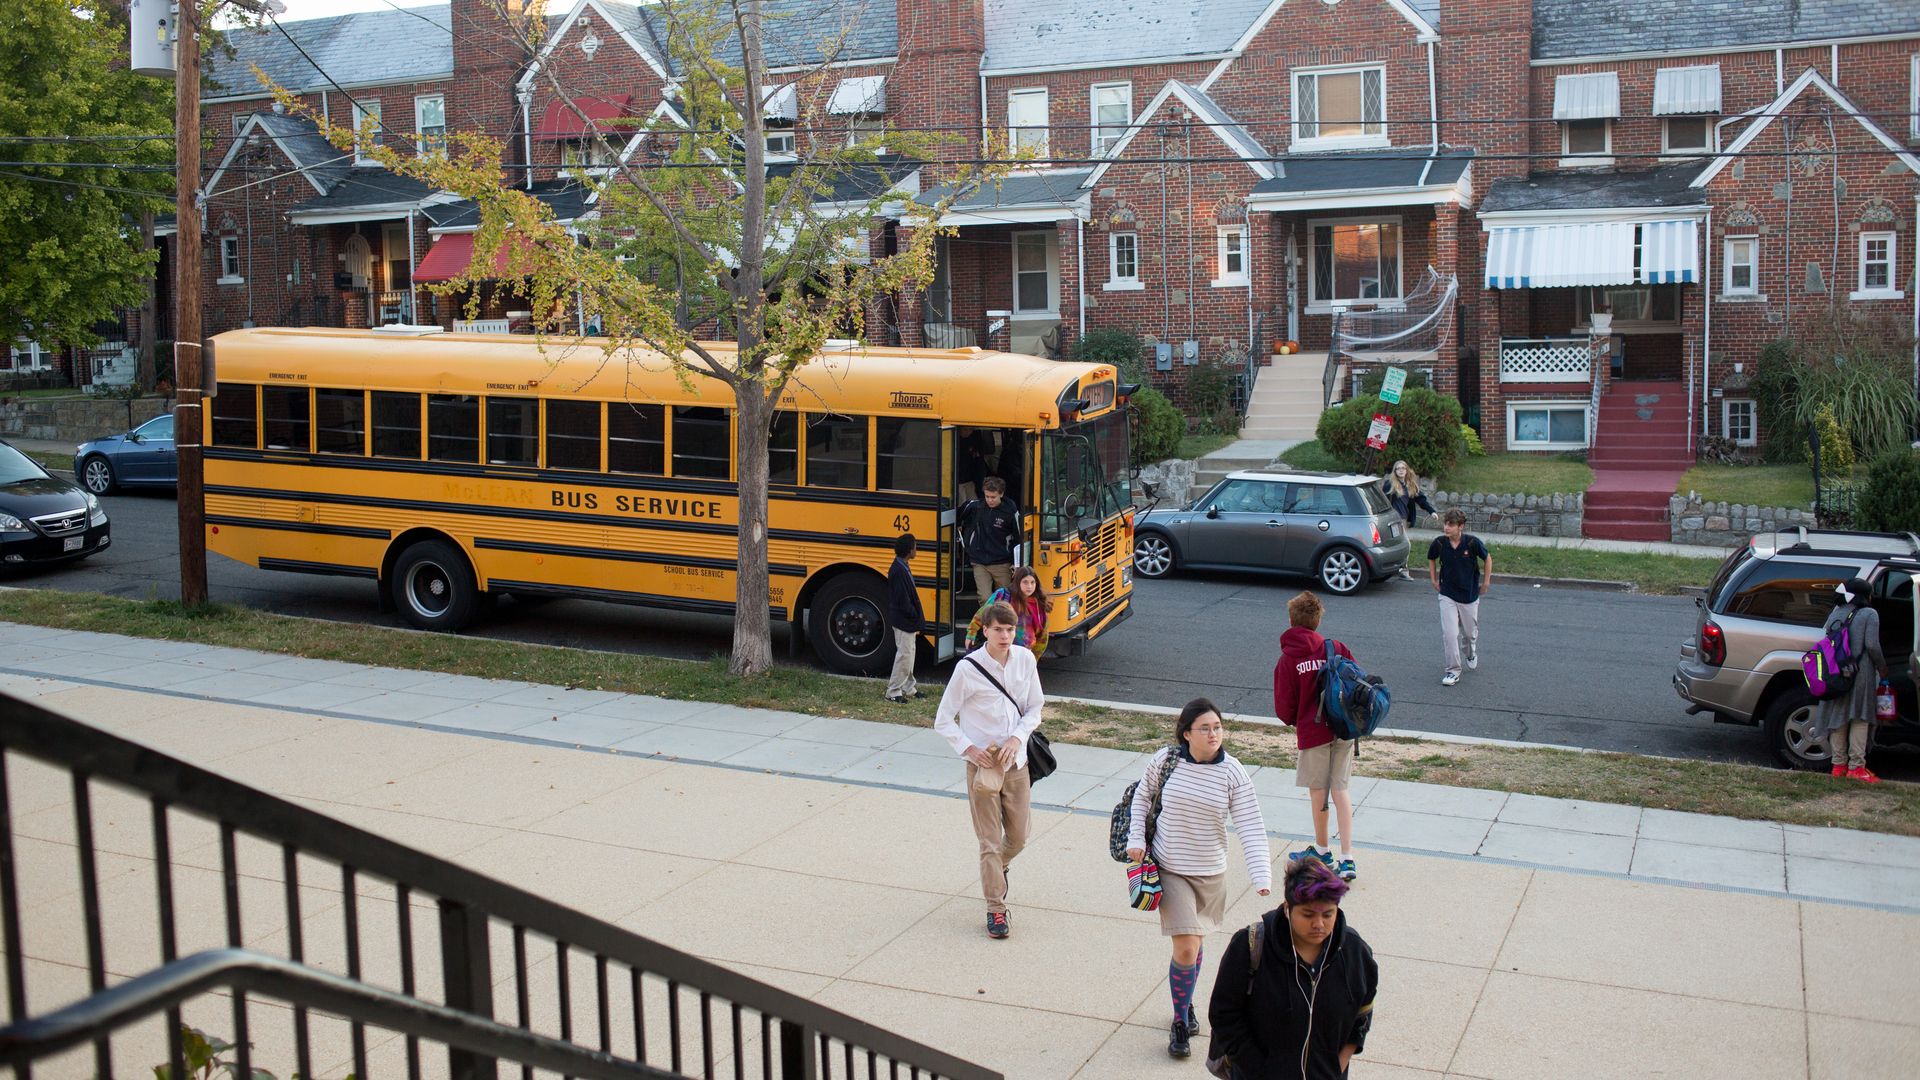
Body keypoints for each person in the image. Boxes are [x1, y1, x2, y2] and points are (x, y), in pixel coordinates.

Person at [1124, 699, 1271, 1060]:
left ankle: (1184, 1000)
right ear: (1187, 733)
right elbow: (1142, 797)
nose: (1213, 734)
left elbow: (1251, 826)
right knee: (1187, 946)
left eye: (1217, 727)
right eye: (1204, 728)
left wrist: (1261, 875)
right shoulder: (1166, 761)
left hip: (1211, 873)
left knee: (1195, 942)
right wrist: (1136, 839)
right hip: (1171, 867)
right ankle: (1180, 1022)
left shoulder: (1233, 772)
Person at [1207, 858, 1378, 1080]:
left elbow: (1363, 1012)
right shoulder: (1250, 946)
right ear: (1288, 908)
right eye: (1308, 914)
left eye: (1328, 914)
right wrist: (1260, 1071)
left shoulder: (1355, 952)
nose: (1319, 924)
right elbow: (1223, 1015)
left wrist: (1337, 1067)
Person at [933, 602, 1043, 939]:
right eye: (998, 630)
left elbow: (1035, 707)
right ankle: (995, 908)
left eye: (1010, 630)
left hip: (1016, 764)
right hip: (982, 769)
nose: (1005, 636)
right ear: (985, 631)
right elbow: (942, 719)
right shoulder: (968, 669)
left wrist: (1018, 737)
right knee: (990, 843)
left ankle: (999, 867)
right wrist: (969, 748)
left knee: (1019, 838)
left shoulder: (1025, 660)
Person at [1273, 591, 1358, 882]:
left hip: (1313, 732)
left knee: (1318, 792)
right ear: (1317, 621)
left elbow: (1285, 708)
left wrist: (1297, 719)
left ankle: (1322, 849)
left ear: (1291, 620)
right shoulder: (1336, 648)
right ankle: (1347, 858)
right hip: (1343, 728)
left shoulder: (1288, 659)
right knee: (1341, 791)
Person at [1812, 577, 1889, 783]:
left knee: (1838, 717)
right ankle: (1857, 768)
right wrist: (1882, 667)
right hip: (1861, 673)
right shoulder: (1869, 614)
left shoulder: (1836, 612)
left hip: (1836, 672)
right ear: (1865, 596)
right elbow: (1872, 645)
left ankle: (1838, 766)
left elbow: (1827, 638)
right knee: (1860, 718)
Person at [1427, 508, 1491, 687]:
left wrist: (1486, 583)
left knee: (1470, 634)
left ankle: (1470, 653)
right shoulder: (1439, 543)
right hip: (1447, 594)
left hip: (1469, 596)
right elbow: (1431, 558)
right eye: (1445, 524)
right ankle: (1453, 670)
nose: (1446, 527)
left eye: (1451, 524)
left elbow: (1487, 558)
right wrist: (1433, 579)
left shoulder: (1472, 543)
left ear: (1460, 526)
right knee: (1450, 634)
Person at [965, 565, 1051, 659]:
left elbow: (1043, 637)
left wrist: (1033, 659)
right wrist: (971, 634)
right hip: (999, 651)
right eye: (1025, 582)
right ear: (1017, 582)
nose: (1029, 586)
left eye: (1032, 582)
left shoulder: (1039, 605)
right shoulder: (1004, 595)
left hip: (1022, 656)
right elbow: (982, 613)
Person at [959, 476, 1022, 598]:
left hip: (1002, 562)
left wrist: (1016, 563)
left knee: (1003, 598)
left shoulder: (1010, 512)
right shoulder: (977, 507)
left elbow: (1018, 538)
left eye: (993, 497)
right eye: (987, 496)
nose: (989, 500)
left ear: (1001, 494)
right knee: (984, 597)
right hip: (979, 561)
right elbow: (958, 515)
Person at [885, 533, 923, 702]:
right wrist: (913, 614)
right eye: (915, 546)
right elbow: (902, 600)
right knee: (904, 654)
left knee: (909, 653)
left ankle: (908, 687)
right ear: (909, 550)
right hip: (903, 620)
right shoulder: (899, 570)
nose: (916, 549)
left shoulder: (902, 566)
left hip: (905, 619)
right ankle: (893, 691)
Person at [1381, 459, 1437, 526]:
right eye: (1398, 468)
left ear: (1406, 470)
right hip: (1392, 519)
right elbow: (1383, 501)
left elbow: (1421, 500)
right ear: (1395, 471)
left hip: (1404, 519)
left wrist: (1431, 511)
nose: (1401, 470)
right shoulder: (1389, 484)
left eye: (1403, 468)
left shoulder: (1411, 485)